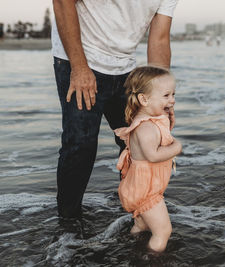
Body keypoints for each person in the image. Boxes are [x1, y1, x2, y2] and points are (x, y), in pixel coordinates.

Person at [52, 0, 178, 218]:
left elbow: (159, 37)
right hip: (80, 56)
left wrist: (161, 96)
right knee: (81, 144)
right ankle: (68, 223)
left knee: (145, 137)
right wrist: (79, 67)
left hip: (126, 67)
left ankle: (138, 209)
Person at [114, 66, 182, 252]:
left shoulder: (150, 121)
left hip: (143, 185)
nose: (172, 100)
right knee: (163, 232)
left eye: (173, 94)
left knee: (143, 226)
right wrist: (177, 147)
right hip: (146, 190)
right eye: (166, 95)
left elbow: (160, 138)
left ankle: (129, 247)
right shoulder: (146, 129)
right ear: (144, 99)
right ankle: (152, 260)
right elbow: (153, 156)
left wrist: (167, 122)